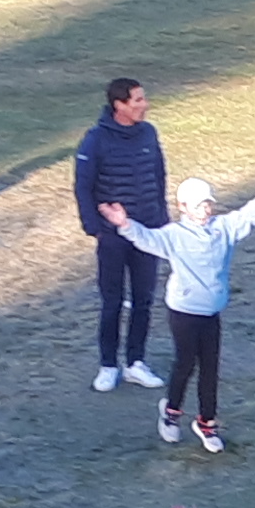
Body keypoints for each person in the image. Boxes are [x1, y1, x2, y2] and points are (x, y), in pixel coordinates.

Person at [99, 166, 255, 453]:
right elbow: (147, 239)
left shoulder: (224, 228)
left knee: (210, 368)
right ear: (183, 207)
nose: (205, 210)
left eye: (207, 204)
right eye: (198, 205)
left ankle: (207, 423)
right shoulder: (174, 235)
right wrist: (125, 224)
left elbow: (250, 213)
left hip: (211, 312)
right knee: (185, 363)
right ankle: (171, 413)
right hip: (183, 312)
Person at [73, 77, 172, 394]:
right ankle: (108, 366)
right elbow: (83, 186)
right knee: (112, 301)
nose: (145, 105)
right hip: (113, 236)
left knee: (144, 300)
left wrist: (161, 219)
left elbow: (158, 176)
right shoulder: (96, 140)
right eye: (138, 100)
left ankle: (135, 363)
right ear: (120, 105)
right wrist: (95, 228)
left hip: (147, 232)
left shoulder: (149, 133)